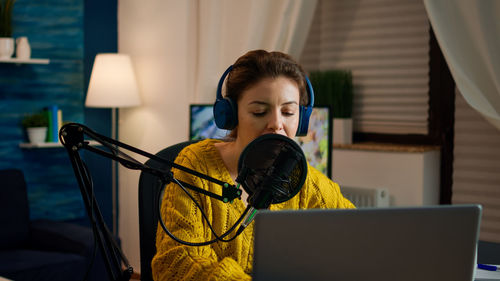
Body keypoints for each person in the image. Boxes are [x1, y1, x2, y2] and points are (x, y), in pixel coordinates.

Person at [152, 50, 355, 281]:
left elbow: (359, 241)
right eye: (259, 111)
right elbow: (174, 265)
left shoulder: (308, 183)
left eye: (288, 112)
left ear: (302, 120)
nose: (277, 124)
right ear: (231, 115)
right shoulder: (195, 166)